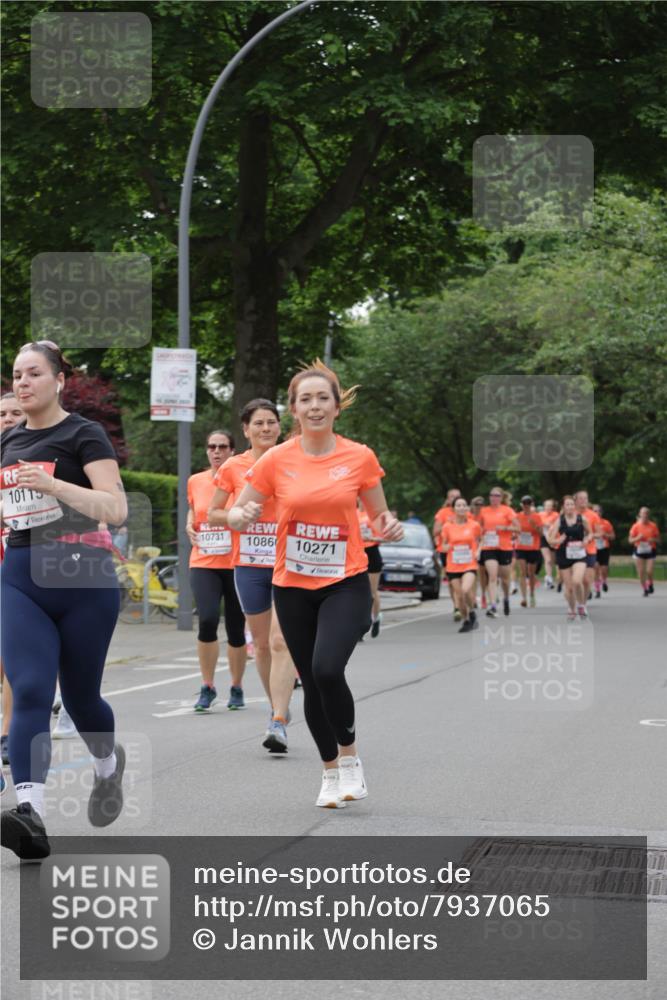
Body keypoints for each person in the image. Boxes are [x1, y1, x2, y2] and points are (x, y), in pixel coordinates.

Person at [228, 360, 403, 809]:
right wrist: (241, 515)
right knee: (309, 676)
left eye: (323, 398)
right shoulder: (276, 459)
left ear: (337, 407)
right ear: (294, 409)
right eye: (305, 399)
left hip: (345, 581)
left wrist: (389, 526)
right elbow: (237, 512)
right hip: (291, 585)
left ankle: (350, 759)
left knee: (326, 670)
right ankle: (329, 773)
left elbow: (379, 515)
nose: (315, 406)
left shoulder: (359, 457)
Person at [1, 341, 127, 859]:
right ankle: (29, 814)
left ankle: (107, 765)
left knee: (80, 699)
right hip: (20, 578)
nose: (22, 383)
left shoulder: (83, 434)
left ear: (59, 380)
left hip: (84, 580)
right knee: (30, 689)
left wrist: (55, 488)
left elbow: (115, 508)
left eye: (34, 373)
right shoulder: (6, 442)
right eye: (16, 375)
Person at [207, 399, 296, 753]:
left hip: (288, 562)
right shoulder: (233, 467)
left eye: (271, 422)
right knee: (260, 645)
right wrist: (235, 516)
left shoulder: (293, 459)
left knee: (280, 641)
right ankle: (276, 708)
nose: (266, 428)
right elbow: (212, 512)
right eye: (258, 423)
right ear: (246, 430)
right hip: (249, 565)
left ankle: (279, 719)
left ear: (279, 427)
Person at [186, 430, 247, 711]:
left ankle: (236, 686)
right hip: (204, 561)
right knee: (208, 619)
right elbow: (195, 509)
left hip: (235, 562)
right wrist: (189, 524)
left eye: (223, 446)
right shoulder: (195, 480)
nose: (217, 451)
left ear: (232, 451)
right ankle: (207, 686)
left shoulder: (241, 480)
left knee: (236, 628)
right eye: (212, 447)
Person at [0, 392, 26, 769]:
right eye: (2, 413)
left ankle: (8, 733)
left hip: (23, 565)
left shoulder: (39, 457)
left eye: (15, 412)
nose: (7, 418)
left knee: (12, 657)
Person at [439, 497, 481, 632]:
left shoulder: (474, 525)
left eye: (464, 505)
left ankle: (472, 611)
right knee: (459, 596)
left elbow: (481, 540)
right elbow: (442, 545)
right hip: (453, 566)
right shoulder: (447, 526)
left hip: (469, 564)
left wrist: (478, 551)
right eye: (458, 505)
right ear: (454, 509)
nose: (461, 507)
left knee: (465, 590)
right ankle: (466, 619)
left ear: (467, 508)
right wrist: (446, 547)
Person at [547, 496, 592, 620]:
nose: (570, 507)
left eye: (572, 504)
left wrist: (587, 539)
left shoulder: (582, 519)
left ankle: (581, 605)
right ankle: (572, 609)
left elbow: (590, 533)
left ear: (575, 506)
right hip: (564, 554)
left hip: (579, 554)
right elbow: (550, 540)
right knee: (570, 588)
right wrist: (558, 540)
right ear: (563, 507)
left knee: (577, 581)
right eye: (567, 504)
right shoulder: (559, 521)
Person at [479, 488, 519, 617]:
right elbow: (478, 527)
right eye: (492, 495)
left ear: (501, 497)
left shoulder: (507, 510)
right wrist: (480, 533)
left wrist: (505, 528)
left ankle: (506, 598)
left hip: (504, 548)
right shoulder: (484, 511)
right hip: (489, 548)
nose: (494, 498)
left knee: (505, 580)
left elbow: (518, 528)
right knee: (492, 576)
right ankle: (493, 606)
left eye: (497, 495)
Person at [433, 489, 462, 621]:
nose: (454, 498)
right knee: (452, 581)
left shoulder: (465, 512)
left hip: (462, 551)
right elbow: (435, 531)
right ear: (448, 499)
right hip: (447, 551)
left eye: (457, 496)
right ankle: (456, 606)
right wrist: (448, 524)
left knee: (462, 580)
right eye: (452, 497)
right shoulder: (443, 513)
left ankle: (463, 602)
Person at [357, 500, 383, 637]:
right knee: (358, 592)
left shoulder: (373, 515)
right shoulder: (353, 513)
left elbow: (383, 537)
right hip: (357, 553)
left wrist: (370, 537)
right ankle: (361, 624)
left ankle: (376, 618)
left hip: (372, 553)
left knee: (372, 593)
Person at [574, 490, 601, 609]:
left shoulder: (593, 515)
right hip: (573, 551)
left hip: (589, 550)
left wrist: (590, 536)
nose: (584, 500)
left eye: (585, 498)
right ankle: (577, 600)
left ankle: (583, 605)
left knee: (586, 580)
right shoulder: (570, 514)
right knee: (576, 580)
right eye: (581, 498)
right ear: (575, 500)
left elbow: (599, 533)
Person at [515, 496, 542, 607]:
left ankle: (531, 595)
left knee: (531, 573)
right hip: (520, 547)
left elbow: (541, 534)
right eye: (524, 503)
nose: (526, 505)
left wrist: (534, 526)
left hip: (533, 548)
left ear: (532, 504)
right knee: (522, 572)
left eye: (528, 503)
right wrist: (514, 534)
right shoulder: (517, 516)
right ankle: (524, 598)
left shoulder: (536, 516)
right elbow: (514, 530)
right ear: (521, 504)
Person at [629, 506, 660, 596]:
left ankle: (650, 583)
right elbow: (630, 540)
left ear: (648, 515)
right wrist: (637, 538)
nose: (645, 515)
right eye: (643, 513)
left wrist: (653, 540)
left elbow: (659, 540)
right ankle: (645, 589)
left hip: (650, 550)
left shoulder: (653, 526)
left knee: (649, 571)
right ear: (640, 514)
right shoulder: (635, 526)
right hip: (639, 550)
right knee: (641, 572)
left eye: (646, 513)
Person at [592, 504, 614, 597]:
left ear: (601, 512)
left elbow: (613, 536)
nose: (597, 513)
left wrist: (606, 535)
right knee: (596, 567)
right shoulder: (589, 522)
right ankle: (597, 589)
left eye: (598, 511)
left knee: (604, 569)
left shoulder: (606, 523)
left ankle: (604, 581)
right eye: (594, 511)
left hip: (604, 548)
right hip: (593, 548)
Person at [538, 499, 559, 589]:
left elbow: (558, 526)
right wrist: (543, 525)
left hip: (553, 538)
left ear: (553, 507)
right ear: (544, 506)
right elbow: (537, 525)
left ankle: (549, 576)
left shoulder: (556, 515)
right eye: (547, 505)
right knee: (548, 559)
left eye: (550, 506)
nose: (548, 507)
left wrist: (551, 526)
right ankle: (549, 579)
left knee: (553, 561)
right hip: (543, 538)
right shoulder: (540, 515)